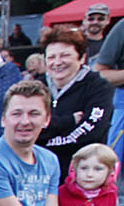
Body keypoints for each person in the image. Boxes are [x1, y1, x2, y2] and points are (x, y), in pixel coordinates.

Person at [37, 26, 113, 182]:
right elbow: (26, 128)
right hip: (40, 173)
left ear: (82, 58)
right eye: (51, 57)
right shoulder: (35, 87)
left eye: (65, 55)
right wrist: (69, 121)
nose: (57, 62)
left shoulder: (98, 87)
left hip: (83, 177)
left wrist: (46, 136)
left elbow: (93, 133)